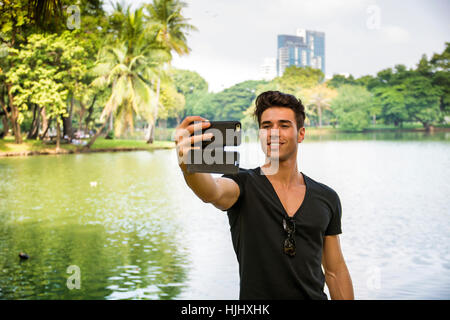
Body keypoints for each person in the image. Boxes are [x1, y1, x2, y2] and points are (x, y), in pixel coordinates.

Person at [174, 90, 354, 300]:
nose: (274, 133)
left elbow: (335, 271)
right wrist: (187, 164)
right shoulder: (243, 183)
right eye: (266, 126)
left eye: (284, 125)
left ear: (301, 133)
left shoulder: (327, 197)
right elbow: (211, 191)